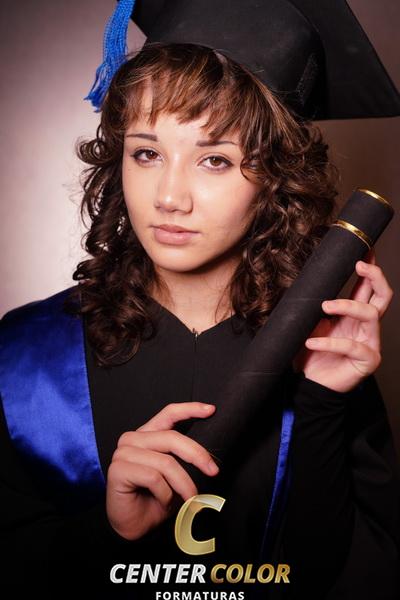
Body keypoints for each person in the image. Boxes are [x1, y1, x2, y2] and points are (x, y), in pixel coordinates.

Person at [1, 1, 400, 598]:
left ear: (276, 178)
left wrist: (320, 403)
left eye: (215, 160)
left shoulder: (322, 354)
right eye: (147, 152)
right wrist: (111, 534)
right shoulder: (26, 357)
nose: (169, 196)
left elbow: (348, 578)